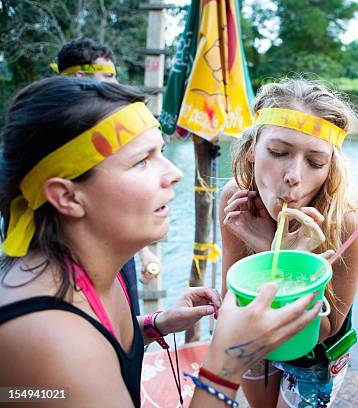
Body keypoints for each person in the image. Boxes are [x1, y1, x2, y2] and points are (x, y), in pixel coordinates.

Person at [0, 76, 322, 407]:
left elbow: (101, 345)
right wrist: (229, 360)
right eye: (142, 160)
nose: (173, 173)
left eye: (162, 152)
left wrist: (155, 324)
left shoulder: (97, 273)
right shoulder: (45, 340)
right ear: (67, 197)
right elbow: (76, 360)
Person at [220, 79, 358, 407]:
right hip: (253, 340)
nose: (293, 176)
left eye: (315, 162)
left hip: (314, 356)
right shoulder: (235, 202)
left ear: (330, 168)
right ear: (250, 151)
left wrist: (275, 250)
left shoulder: (346, 219)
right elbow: (230, 301)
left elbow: (325, 328)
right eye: (278, 152)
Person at [54, 37, 164, 311]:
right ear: (79, 76)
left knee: (128, 326)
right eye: (108, 76)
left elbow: (119, 199)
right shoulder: (55, 133)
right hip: (73, 261)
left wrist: (144, 251)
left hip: (118, 251)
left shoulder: (110, 124)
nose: (115, 85)